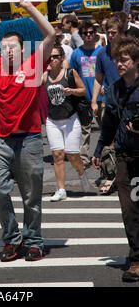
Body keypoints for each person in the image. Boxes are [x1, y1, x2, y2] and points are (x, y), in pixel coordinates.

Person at [0, 0, 55, 262]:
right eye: (3, 47)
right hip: (1, 140)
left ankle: (34, 241)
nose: (6, 50)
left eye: (11, 46)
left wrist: (29, 8)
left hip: (29, 140)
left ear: (23, 48)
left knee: (31, 196)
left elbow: (50, 34)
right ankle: (11, 239)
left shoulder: (33, 64)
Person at [92, 37, 139, 282]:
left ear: (136, 62)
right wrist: (99, 150)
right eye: (117, 60)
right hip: (125, 157)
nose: (119, 64)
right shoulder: (114, 90)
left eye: (124, 60)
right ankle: (136, 259)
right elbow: (108, 124)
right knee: (129, 210)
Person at [42, 45, 90, 201]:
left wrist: (72, 91)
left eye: (55, 56)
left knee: (72, 155)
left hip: (71, 119)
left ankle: (82, 174)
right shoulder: (45, 76)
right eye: (50, 57)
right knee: (57, 154)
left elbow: (83, 90)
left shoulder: (70, 73)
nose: (52, 60)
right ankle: (61, 189)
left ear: (62, 58)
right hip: (52, 120)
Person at [91, 17, 124, 194]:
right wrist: (94, 100)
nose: (110, 36)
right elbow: (98, 78)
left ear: (121, 33)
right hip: (109, 103)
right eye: (108, 33)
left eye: (114, 33)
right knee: (109, 140)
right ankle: (111, 175)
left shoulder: (129, 51)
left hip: (128, 103)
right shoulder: (102, 53)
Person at [69, 20, 102, 169]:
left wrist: (105, 86)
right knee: (84, 129)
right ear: (81, 35)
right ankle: (83, 158)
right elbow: (72, 75)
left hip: (102, 97)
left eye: (91, 32)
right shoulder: (76, 53)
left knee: (106, 126)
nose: (88, 35)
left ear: (95, 34)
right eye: (85, 33)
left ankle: (106, 154)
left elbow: (108, 72)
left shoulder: (101, 51)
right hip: (83, 97)